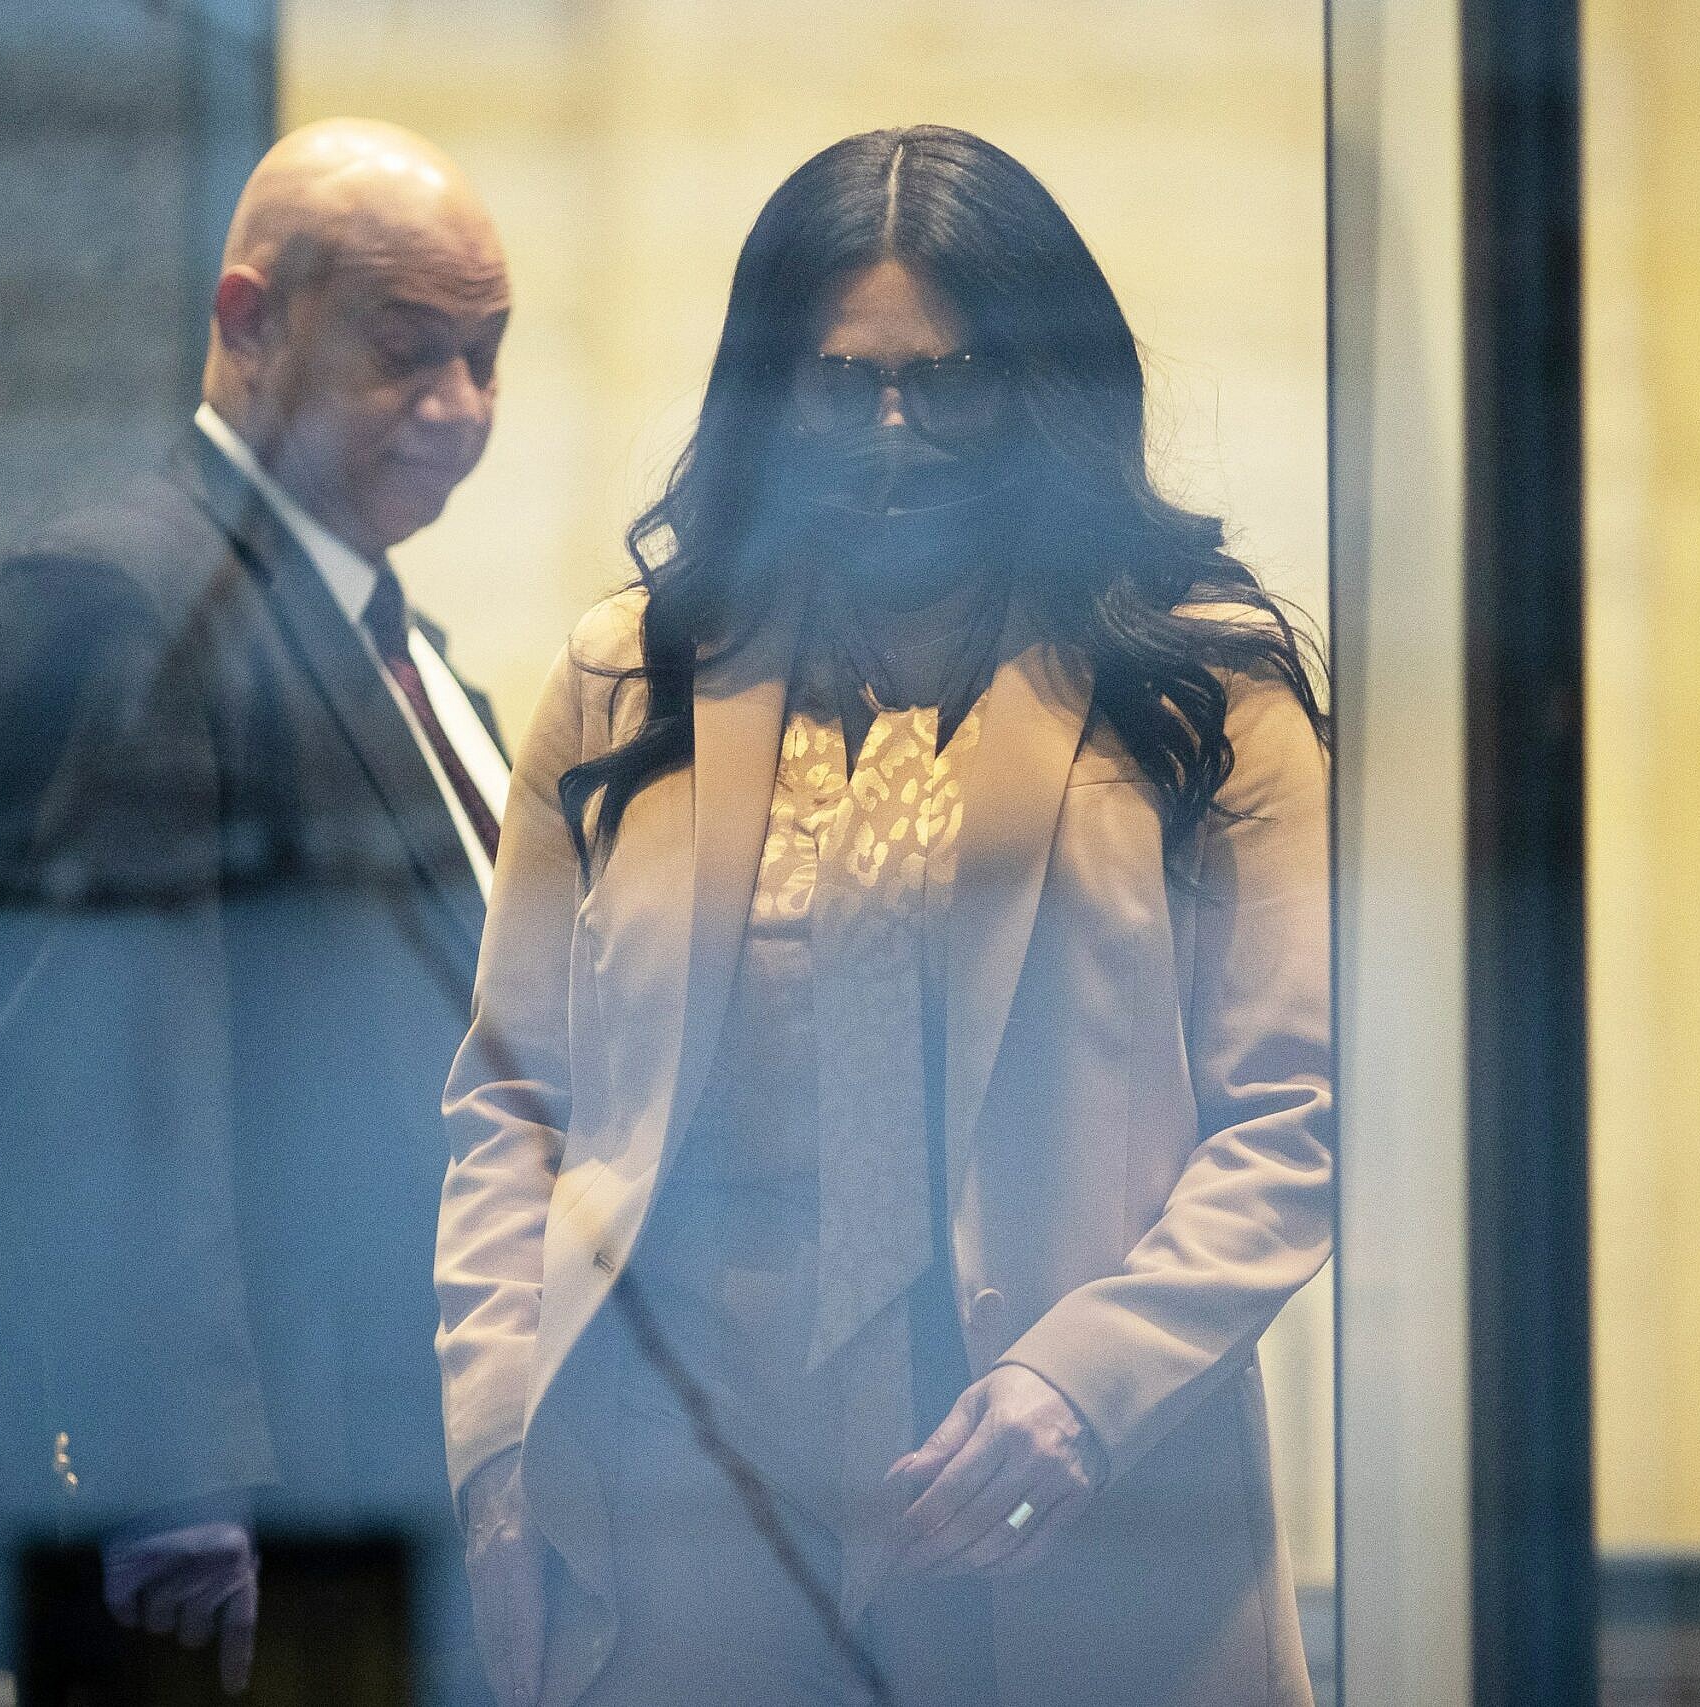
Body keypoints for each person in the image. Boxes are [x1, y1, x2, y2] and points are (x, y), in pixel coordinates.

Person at [438, 125, 1335, 1707]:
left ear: (1040, 386)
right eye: (847, 384)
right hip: (683, 1494)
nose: (898, 431)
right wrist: (500, 1449)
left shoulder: (1210, 689)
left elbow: (1299, 1115)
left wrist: (1084, 1387)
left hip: (1068, 1489)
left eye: (956, 375)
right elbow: (515, 1106)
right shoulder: (624, 680)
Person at [0, 118, 511, 1702]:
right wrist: (165, 1477)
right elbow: (100, 1086)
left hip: (401, 1461)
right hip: (229, 1528)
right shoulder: (116, 603)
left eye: (486, 355)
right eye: (410, 353)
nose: (459, 410)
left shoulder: (412, 646)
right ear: (247, 319)